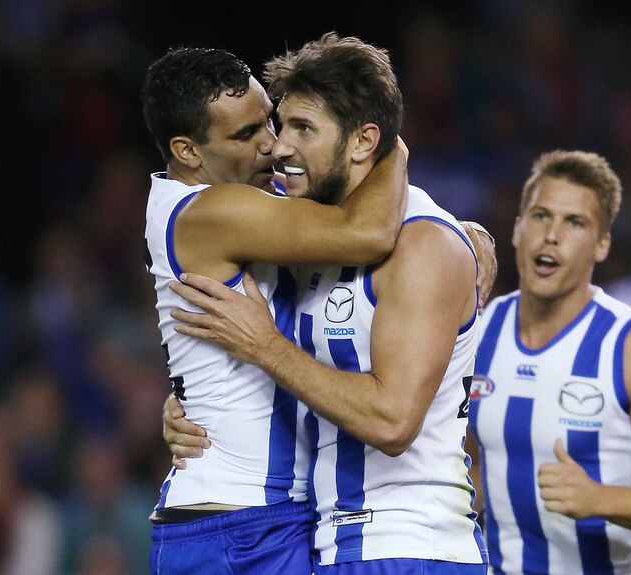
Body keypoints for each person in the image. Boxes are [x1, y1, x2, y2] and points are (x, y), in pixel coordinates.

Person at [165, 32, 490, 574]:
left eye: (303, 129)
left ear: (364, 142)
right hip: (326, 543)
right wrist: (190, 404)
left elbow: (391, 421)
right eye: (280, 124)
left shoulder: (422, 244)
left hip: (411, 547)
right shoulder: (312, 238)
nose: (280, 146)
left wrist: (266, 347)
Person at [141, 43, 411, 574]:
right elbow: (369, 230)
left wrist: (470, 234)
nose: (273, 144)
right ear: (187, 151)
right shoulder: (207, 210)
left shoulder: (251, 199)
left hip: (266, 517)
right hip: (236, 527)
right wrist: (392, 146)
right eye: (245, 135)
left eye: (269, 120)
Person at [465, 150, 631, 574]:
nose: (551, 235)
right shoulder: (479, 333)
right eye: (541, 216)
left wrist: (598, 498)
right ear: (517, 228)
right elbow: (470, 463)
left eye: (574, 222)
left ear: (602, 244)